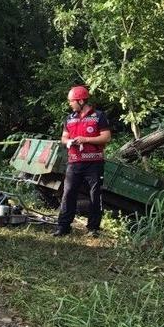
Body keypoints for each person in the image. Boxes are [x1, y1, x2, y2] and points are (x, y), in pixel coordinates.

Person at [53, 85, 111, 237]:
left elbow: (106, 137)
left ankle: (93, 229)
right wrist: (68, 142)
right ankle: (63, 227)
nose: (70, 104)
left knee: (94, 195)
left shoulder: (98, 116)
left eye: (72, 101)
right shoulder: (69, 118)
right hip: (74, 162)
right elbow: (63, 137)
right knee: (68, 193)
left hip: (94, 163)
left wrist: (86, 139)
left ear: (80, 100)